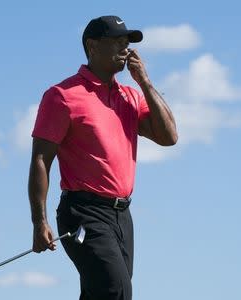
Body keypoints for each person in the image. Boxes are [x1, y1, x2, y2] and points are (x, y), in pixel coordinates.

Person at [28, 15, 178, 300]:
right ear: (93, 46)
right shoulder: (62, 96)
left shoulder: (130, 97)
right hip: (83, 213)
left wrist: (145, 82)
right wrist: (39, 221)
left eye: (127, 43)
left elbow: (169, 136)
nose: (125, 50)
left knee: (100, 294)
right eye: (117, 42)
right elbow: (40, 161)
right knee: (115, 291)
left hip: (122, 216)